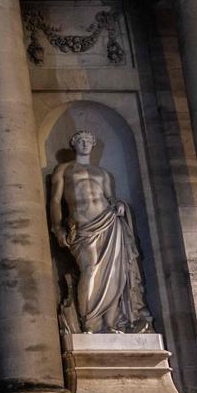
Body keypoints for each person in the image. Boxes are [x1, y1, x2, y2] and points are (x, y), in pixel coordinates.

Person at [49, 130, 153, 334]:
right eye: (81, 140)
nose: (85, 144)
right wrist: (57, 227)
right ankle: (91, 323)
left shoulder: (103, 173)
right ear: (74, 144)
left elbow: (110, 197)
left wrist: (120, 204)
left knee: (115, 274)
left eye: (89, 141)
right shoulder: (64, 169)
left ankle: (110, 323)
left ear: (93, 144)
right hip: (83, 226)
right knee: (90, 269)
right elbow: (54, 200)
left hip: (109, 222)